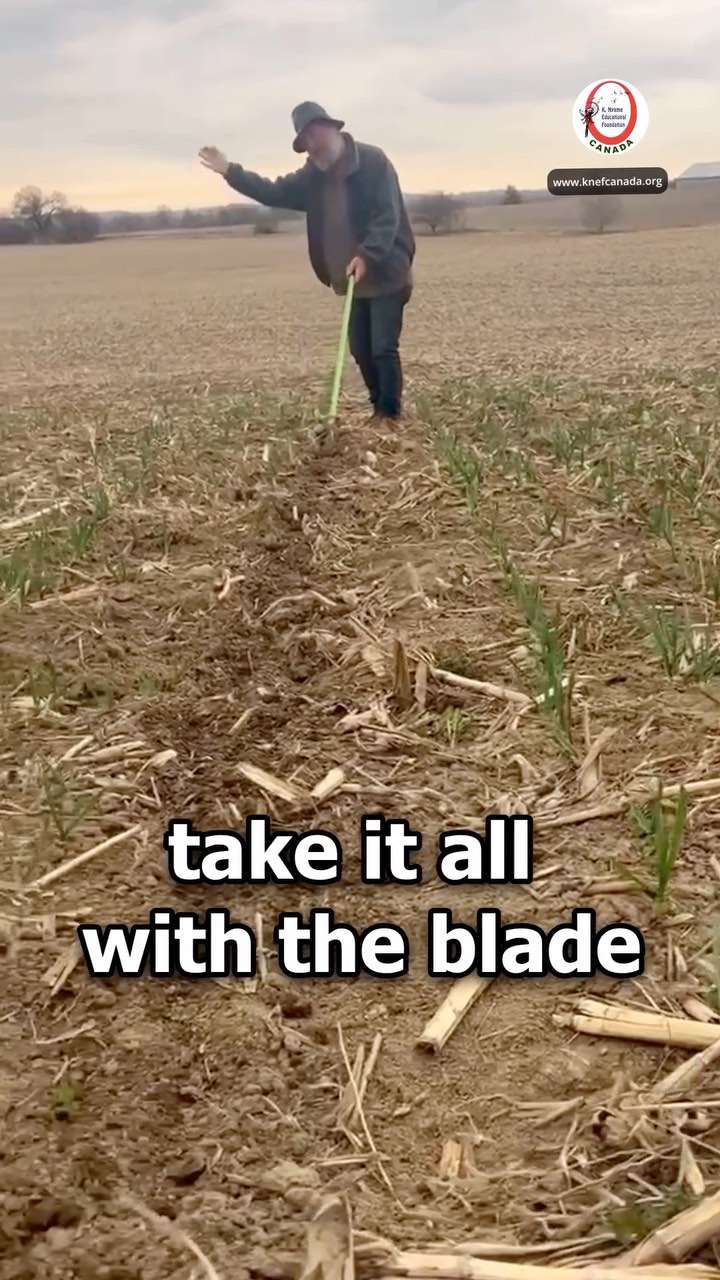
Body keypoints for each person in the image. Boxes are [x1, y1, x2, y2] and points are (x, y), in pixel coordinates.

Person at [199, 102, 415, 424]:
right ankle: (377, 409)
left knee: (383, 348)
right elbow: (272, 192)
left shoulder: (373, 162)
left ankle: (390, 415)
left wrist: (367, 254)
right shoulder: (313, 176)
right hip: (348, 276)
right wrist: (231, 171)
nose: (311, 146)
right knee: (359, 348)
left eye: (314, 134)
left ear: (332, 128)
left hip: (385, 269)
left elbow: (387, 216)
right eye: (305, 140)